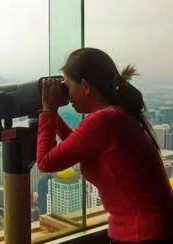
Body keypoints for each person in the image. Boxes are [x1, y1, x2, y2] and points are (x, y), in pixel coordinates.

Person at [36, 47, 173, 243]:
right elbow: (78, 146)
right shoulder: (114, 115)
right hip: (151, 230)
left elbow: (45, 162)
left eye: (67, 86)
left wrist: (49, 110)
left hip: (142, 234)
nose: (67, 95)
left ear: (85, 86)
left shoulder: (105, 120)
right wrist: (51, 113)